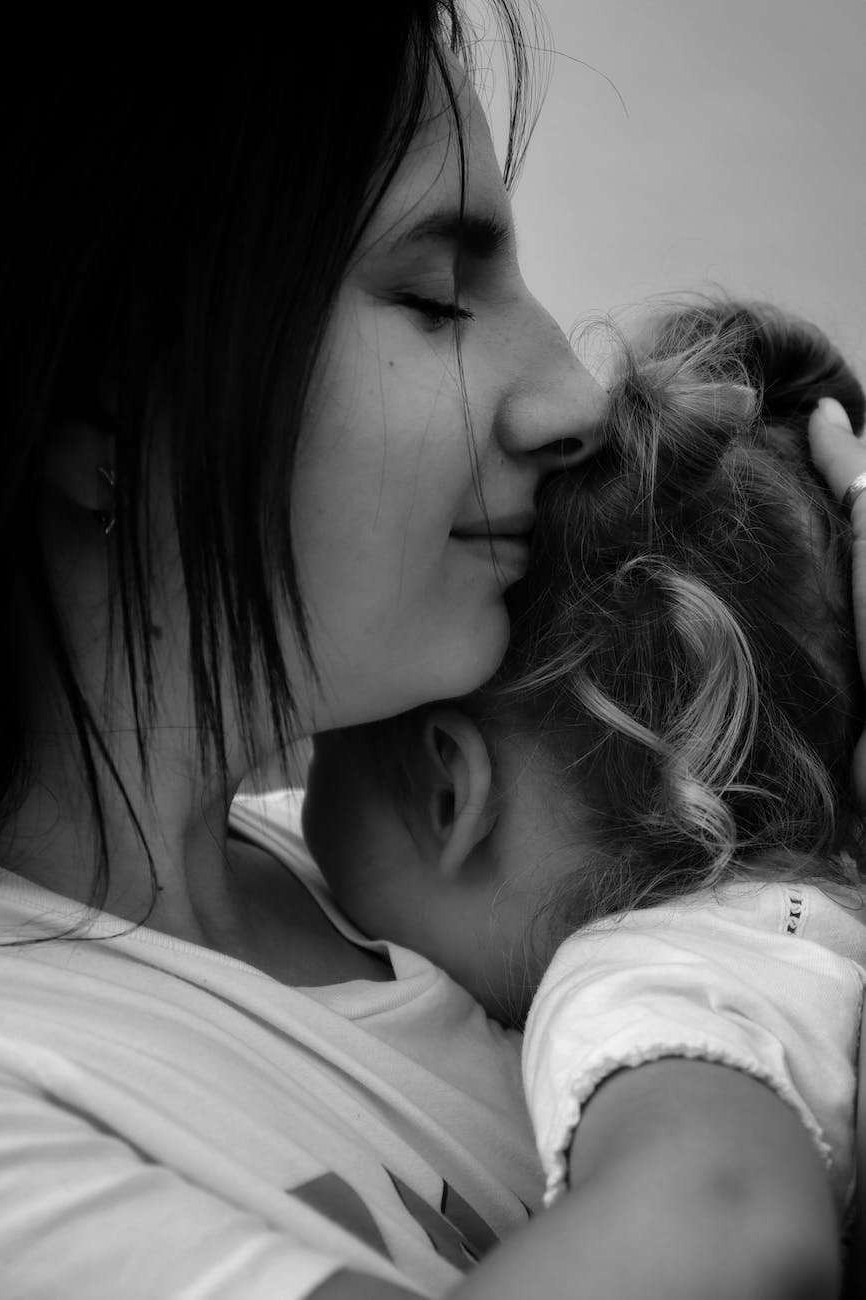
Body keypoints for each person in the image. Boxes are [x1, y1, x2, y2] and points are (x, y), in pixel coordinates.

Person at [0, 6, 863, 1298]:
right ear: (105, 401)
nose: (574, 396)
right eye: (431, 299)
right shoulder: (35, 1107)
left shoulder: (425, 876)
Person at [302, 298, 866, 1299]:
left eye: (322, 742)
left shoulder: (648, 973)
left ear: (448, 788)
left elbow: (724, 1224)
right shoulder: (796, 916)